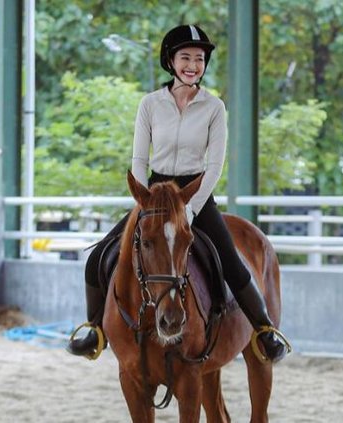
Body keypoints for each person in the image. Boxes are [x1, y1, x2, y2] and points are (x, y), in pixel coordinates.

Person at [67, 24, 288, 362]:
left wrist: (191, 209)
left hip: (194, 192)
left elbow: (214, 166)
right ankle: (94, 329)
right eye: (185, 57)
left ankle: (264, 330)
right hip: (155, 195)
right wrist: (144, 199)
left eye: (199, 59)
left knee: (232, 262)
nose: (192, 65)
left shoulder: (214, 107)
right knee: (99, 257)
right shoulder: (150, 104)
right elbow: (139, 159)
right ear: (170, 61)